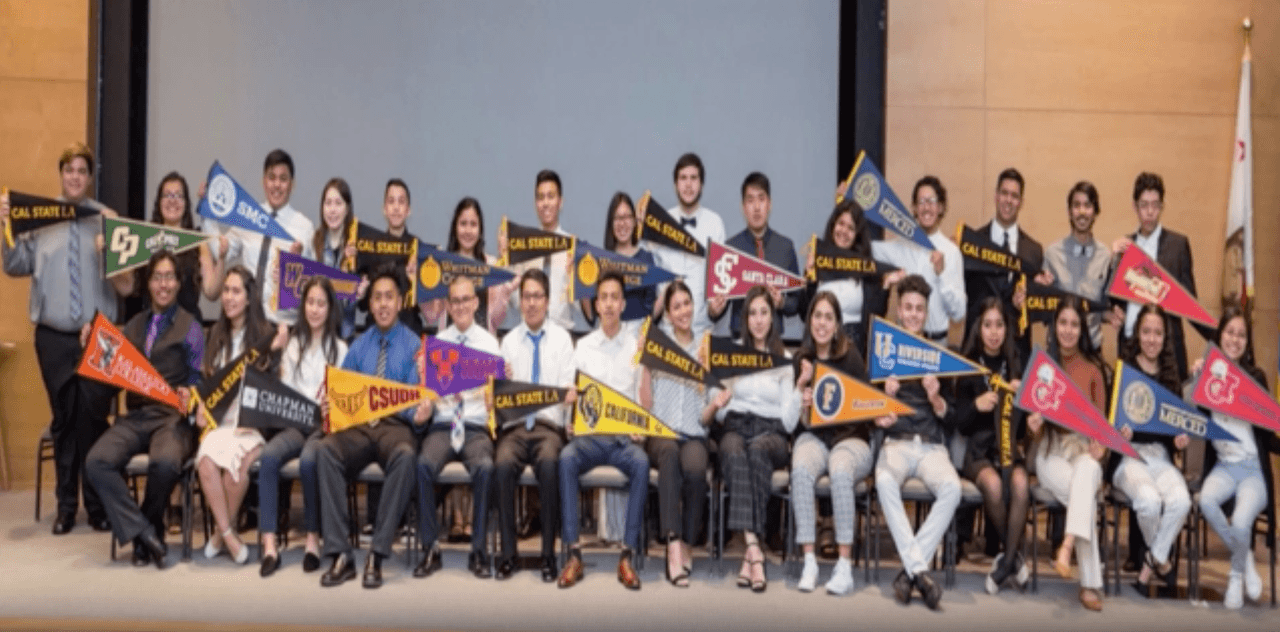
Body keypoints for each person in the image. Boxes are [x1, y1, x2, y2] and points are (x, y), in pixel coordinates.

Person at [2, 142, 134, 535]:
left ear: (90, 177)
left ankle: (97, 506)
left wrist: (113, 241)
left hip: (98, 337)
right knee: (63, 421)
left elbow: (126, 281)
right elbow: (15, 265)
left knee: (94, 419)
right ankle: (66, 506)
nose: (75, 177)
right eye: (69, 170)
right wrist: (5, 228)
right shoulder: (40, 218)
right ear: (61, 174)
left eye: (82, 170)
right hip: (54, 338)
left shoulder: (105, 218)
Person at [83, 251, 202, 569]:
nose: (164, 284)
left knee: (165, 463)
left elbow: (199, 379)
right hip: (135, 416)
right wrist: (91, 348)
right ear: (148, 283)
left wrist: (191, 391)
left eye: (169, 277)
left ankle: (144, 535)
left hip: (171, 418)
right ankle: (146, 533)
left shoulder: (191, 327)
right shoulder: (133, 326)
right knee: (96, 462)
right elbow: (110, 377)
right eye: (157, 277)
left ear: (178, 283)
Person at [316, 265, 429, 589]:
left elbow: (414, 400)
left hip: (395, 427)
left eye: (388, 297)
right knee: (325, 451)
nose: (382, 304)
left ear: (400, 302)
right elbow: (342, 394)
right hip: (361, 427)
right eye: (377, 297)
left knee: (406, 455)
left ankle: (377, 554)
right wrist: (331, 406)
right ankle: (341, 554)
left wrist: (418, 415)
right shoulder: (359, 345)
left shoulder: (414, 346)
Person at [556, 272, 650, 590]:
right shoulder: (582, 347)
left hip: (623, 440)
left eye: (615, 298)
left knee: (642, 463)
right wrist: (570, 418)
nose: (609, 304)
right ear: (596, 305)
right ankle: (574, 554)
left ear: (623, 304)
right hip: (590, 439)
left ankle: (627, 555)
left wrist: (641, 428)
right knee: (566, 458)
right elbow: (572, 394)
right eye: (604, 298)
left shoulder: (636, 347)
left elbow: (642, 402)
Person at [705, 285, 801, 593]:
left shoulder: (784, 358)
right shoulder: (733, 352)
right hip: (736, 424)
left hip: (771, 432)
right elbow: (719, 410)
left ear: (772, 318)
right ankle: (754, 549)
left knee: (758, 451)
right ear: (745, 319)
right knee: (733, 451)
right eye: (753, 314)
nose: (758, 320)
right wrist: (721, 402)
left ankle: (751, 553)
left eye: (764, 313)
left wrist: (800, 389)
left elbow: (788, 421)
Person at [872, 274, 960, 610]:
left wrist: (936, 399)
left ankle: (911, 573)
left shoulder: (939, 355)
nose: (912, 314)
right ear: (898, 310)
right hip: (896, 442)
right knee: (883, 481)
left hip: (932, 445)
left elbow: (953, 417)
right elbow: (867, 409)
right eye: (907, 307)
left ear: (926, 313)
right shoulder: (883, 351)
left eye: (918, 309)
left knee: (952, 488)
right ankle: (920, 572)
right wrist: (885, 398)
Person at [258, 276, 348, 577]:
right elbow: (282, 390)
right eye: (310, 302)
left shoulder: (340, 349)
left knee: (310, 461)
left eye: (321, 303)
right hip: (295, 424)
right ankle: (269, 543)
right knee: (269, 456)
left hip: (322, 428)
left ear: (330, 308)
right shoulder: (293, 345)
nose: (315, 309)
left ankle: (312, 538)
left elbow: (343, 400)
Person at [195, 266, 285, 565]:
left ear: (249, 298)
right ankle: (230, 535)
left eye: (236, 291)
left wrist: (273, 354)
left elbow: (274, 389)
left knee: (238, 467)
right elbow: (207, 385)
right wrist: (201, 407)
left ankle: (219, 534)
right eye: (226, 291)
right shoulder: (214, 335)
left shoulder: (265, 336)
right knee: (206, 462)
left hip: (250, 424)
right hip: (220, 423)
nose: (229, 297)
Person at [1026, 296, 1109, 611]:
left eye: (1074, 324)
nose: (1068, 330)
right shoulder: (1042, 367)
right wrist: (1033, 425)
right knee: (1084, 493)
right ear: (1054, 326)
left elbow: (1101, 429)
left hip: (1083, 451)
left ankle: (1067, 544)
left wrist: (1100, 447)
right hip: (1051, 453)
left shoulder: (1094, 370)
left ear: (1082, 329)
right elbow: (1031, 429)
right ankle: (1089, 584)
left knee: (1087, 473)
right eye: (1063, 323)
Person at [414, 276, 500, 580]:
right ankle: (430, 549)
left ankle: (478, 551)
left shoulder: (490, 345)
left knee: (486, 468)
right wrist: (424, 389)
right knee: (423, 465)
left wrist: (494, 399)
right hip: (444, 423)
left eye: (466, 300)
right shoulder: (437, 344)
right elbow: (427, 393)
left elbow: (497, 396)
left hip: (475, 425)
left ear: (476, 303)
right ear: (448, 307)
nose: (461, 306)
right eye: (455, 301)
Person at [494, 269, 576, 582]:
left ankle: (547, 556)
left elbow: (568, 390)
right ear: (520, 301)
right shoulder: (508, 342)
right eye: (526, 296)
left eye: (537, 296)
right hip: (515, 429)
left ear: (547, 300)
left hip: (548, 428)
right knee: (502, 464)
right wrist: (500, 382)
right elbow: (499, 398)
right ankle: (508, 555)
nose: (531, 303)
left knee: (551, 463)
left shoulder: (563, 340)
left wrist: (568, 403)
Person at [1195, 304, 1276, 609]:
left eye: (1241, 335)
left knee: (1241, 522)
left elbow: (1267, 433)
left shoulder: (1256, 377)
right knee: (1206, 500)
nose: (1235, 339)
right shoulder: (1208, 374)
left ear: (1247, 341)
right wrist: (1196, 376)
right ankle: (1247, 561)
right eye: (1230, 332)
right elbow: (1195, 418)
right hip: (1224, 467)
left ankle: (1235, 576)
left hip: (1253, 469)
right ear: (1220, 335)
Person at [791, 291, 871, 595]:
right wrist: (802, 396)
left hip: (851, 438)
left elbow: (866, 407)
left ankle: (844, 565)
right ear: (809, 320)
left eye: (828, 317)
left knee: (840, 471)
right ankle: (809, 561)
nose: (822, 323)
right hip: (816, 437)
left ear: (837, 324)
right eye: (817, 316)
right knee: (800, 469)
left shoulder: (851, 357)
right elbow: (800, 422)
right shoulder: (802, 360)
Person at [638, 280, 714, 587]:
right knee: (669, 454)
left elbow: (707, 409)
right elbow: (646, 403)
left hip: (694, 431)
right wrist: (645, 366)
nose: (683, 311)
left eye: (687, 303)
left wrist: (716, 401)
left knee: (696, 469)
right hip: (662, 431)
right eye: (676, 306)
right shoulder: (657, 344)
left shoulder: (705, 348)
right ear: (668, 314)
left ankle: (687, 542)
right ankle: (671, 544)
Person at [1112, 304, 1191, 591]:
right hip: (1129, 456)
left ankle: (1150, 561)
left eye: (1158, 333)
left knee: (1181, 501)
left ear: (1165, 337)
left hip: (1161, 457)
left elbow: (1174, 427)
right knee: (1149, 502)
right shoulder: (1124, 371)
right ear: (1137, 333)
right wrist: (1119, 432)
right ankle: (1163, 563)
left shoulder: (1170, 376)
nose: (1152, 339)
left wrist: (1178, 439)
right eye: (1146, 331)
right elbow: (1110, 424)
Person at [954, 297, 1030, 594]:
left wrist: (1022, 407)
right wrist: (976, 405)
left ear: (1007, 329)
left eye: (999, 325)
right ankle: (1014, 559)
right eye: (988, 325)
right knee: (995, 486)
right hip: (978, 451)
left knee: (1021, 484)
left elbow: (1021, 430)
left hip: (1008, 448)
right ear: (978, 328)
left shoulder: (1015, 364)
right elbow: (960, 422)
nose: (994, 332)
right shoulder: (968, 365)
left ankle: (1007, 562)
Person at [1107, 172, 1203, 382]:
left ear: (1162, 206)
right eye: (1144, 205)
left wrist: (1219, 339)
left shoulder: (1178, 245)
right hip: (1130, 347)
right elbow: (1109, 300)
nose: (1150, 212)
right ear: (1135, 206)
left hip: (1167, 352)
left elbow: (1191, 304)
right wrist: (1111, 260)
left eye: (1155, 205)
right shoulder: (1124, 247)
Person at [207, 149, 316, 325]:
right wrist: (207, 215)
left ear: (292, 184)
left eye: (283, 179)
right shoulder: (249, 218)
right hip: (247, 323)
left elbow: (314, 288)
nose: (277, 185)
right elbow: (218, 251)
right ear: (264, 181)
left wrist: (296, 271)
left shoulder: (305, 228)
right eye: (272, 178)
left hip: (283, 327)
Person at [963, 168, 1050, 360]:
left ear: (1021, 203)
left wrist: (1040, 293)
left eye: (1014, 196)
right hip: (977, 351)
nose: (1008, 200)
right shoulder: (971, 244)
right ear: (996, 196)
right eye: (1004, 193)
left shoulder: (1034, 251)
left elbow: (1034, 308)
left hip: (1017, 354)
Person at [872, 176, 966, 343]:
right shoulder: (902, 246)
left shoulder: (952, 253)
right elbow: (866, 249)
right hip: (904, 341)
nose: (926, 207)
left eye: (932, 201)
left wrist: (942, 274)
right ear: (914, 208)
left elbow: (958, 314)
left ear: (941, 207)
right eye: (921, 202)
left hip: (937, 343)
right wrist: (846, 203)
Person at [646, 153, 726, 335]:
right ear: (676, 184)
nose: (688, 184)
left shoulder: (715, 224)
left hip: (702, 333)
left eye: (693, 178)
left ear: (701, 184)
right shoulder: (659, 224)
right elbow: (650, 282)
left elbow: (720, 282)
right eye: (683, 178)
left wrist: (715, 309)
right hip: (666, 334)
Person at [721, 172, 801, 338]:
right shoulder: (730, 248)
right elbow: (718, 308)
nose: (756, 207)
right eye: (750, 200)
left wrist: (781, 302)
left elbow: (797, 303)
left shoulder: (785, 247)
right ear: (743, 207)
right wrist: (714, 310)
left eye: (761, 199)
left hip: (774, 340)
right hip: (740, 339)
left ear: (769, 204)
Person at [805, 200, 887, 357]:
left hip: (852, 352)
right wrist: (809, 278)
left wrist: (885, 287)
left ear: (857, 235)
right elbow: (805, 312)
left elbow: (876, 316)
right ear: (833, 225)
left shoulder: (867, 267)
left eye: (851, 228)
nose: (844, 231)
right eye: (841, 223)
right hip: (819, 350)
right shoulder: (818, 259)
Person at [501, 170, 578, 331]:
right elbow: (516, 301)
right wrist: (505, 261)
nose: (545, 203)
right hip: (529, 334)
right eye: (540, 197)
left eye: (551, 196)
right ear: (536, 203)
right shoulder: (524, 245)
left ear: (560, 202)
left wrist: (576, 279)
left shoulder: (573, 247)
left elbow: (579, 306)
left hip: (562, 335)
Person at [1042, 181, 1110, 349]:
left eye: (1087, 205)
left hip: (1091, 350)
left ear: (1095, 212)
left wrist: (1114, 315)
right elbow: (1042, 307)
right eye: (1076, 205)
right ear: (1069, 212)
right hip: (1058, 350)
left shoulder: (1105, 257)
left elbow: (1104, 309)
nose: (1082, 212)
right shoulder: (1052, 254)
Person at [424, 197, 505, 333]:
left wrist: (505, 284)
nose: (468, 230)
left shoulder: (492, 265)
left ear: (480, 229)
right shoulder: (442, 265)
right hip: (448, 344)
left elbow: (497, 318)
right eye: (463, 224)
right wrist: (423, 280)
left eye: (473, 224)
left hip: (483, 344)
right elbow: (431, 316)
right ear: (455, 227)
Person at [580, 192, 658, 330]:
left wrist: (669, 288)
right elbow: (591, 316)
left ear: (634, 221)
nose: (622, 223)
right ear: (611, 223)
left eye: (627, 217)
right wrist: (580, 281)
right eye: (617, 218)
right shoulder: (600, 261)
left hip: (638, 333)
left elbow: (651, 310)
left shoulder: (647, 258)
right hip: (608, 332)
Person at [148, 171, 216, 321]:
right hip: (153, 325)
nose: (172, 200)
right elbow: (127, 289)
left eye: (179, 195)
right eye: (167, 195)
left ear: (186, 203)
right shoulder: (145, 238)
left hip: (189, 327)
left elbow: (211, 292)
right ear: (159, 202)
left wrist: (222, 259)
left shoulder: (198, 241)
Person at [309, 177, 359, 339]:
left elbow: (351, 305)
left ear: (347, 208)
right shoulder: (313, 242)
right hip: (316, 335)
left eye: (338, 203)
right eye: (328, 203)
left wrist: (349, 273)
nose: (332, 210)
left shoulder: (356, 245)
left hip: (345, 336)